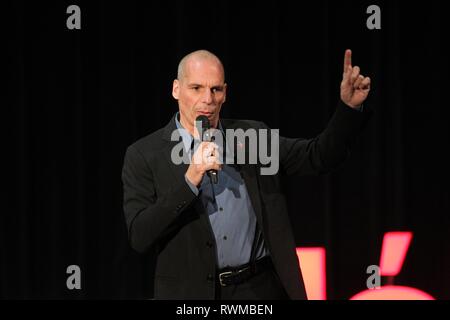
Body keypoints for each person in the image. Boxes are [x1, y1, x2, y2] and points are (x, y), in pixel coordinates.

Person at [122, 49, 371, 300]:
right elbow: (140, 235)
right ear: (176, 89)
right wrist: (189, 181)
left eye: (215, 89)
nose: (207, 99)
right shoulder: (144, 154)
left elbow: (317, 156)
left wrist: (348, 109)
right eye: (196, 88)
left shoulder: (252, 138)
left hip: (258, 289)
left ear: (225, 94)